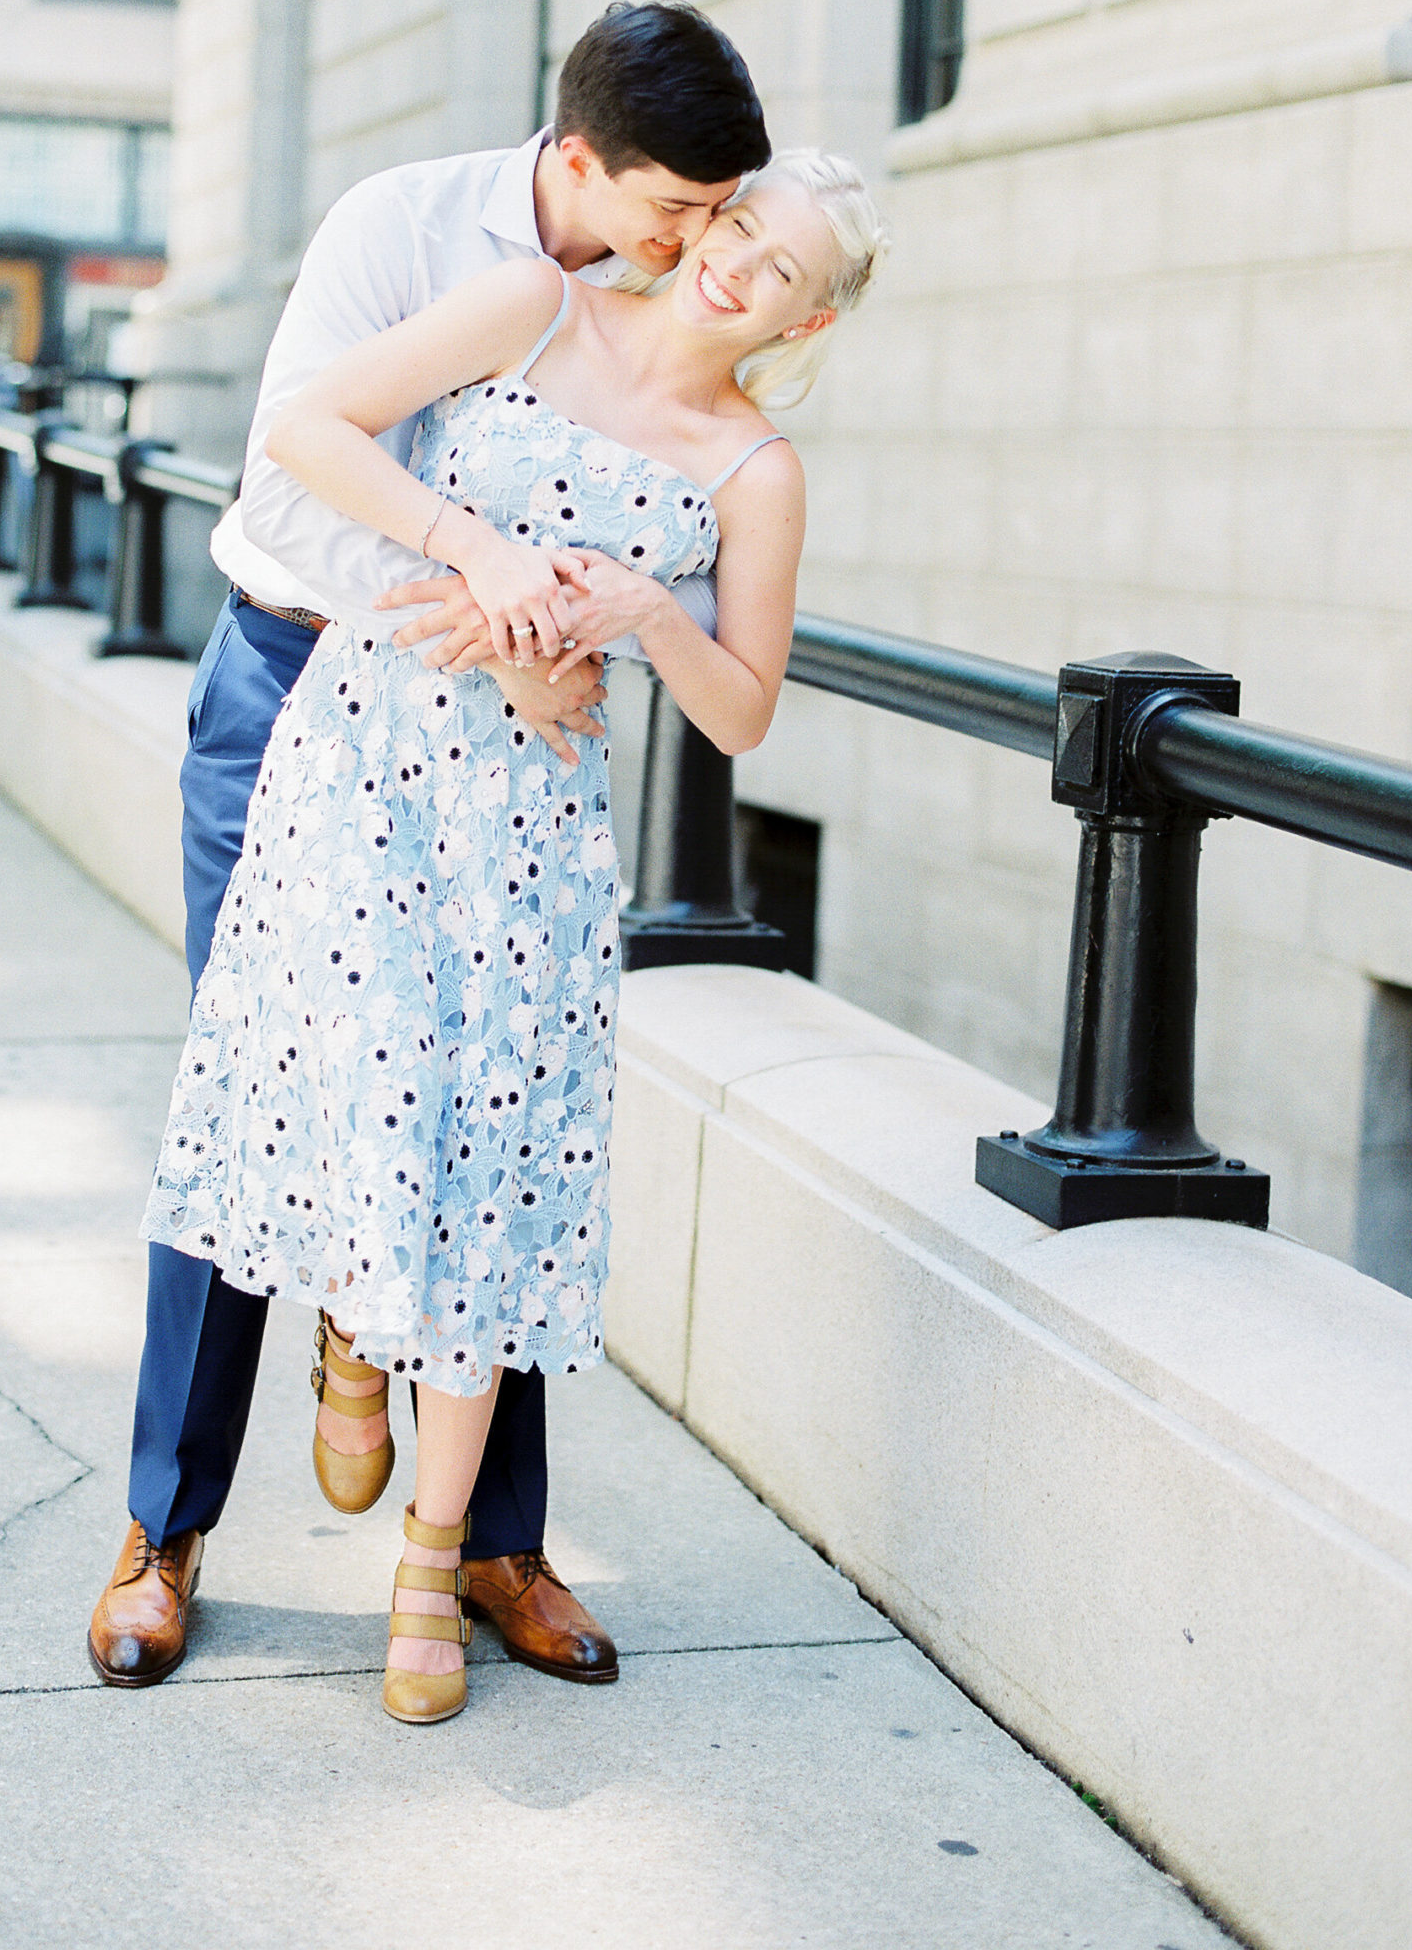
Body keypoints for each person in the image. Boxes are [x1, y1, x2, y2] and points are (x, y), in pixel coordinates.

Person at [141, 148, 885, 1723]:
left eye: (785, 268)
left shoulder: (756, 472)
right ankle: (323, 1352)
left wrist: (646, 614)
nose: (740, 266)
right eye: (740, 225)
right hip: (366, 754)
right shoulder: (531, 306)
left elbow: (744, 715)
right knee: (342, 1091)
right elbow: (301, 434)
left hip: (528, 837)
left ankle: (435, 1562)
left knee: (487, 1172)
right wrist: (476, 579)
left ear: (808, 320)